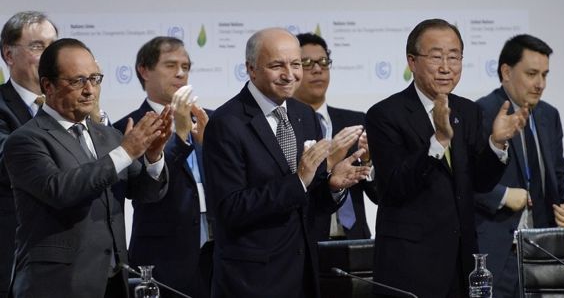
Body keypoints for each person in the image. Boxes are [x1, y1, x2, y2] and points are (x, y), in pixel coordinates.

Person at [203, 28, 370, 298]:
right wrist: (299, 180)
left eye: (296, 64)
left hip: (303, 275)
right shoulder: (226, 123)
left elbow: (309, 200)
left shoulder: (305, 115)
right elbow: (229, 209)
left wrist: (332, 186)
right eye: (276, 65)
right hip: (251, 282)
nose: (289, 74)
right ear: (251, 69)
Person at [366, 19, 527, 298]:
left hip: (461, 261)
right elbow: (393, 187)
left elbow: (480, 182)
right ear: (412, 62)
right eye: (436, 57)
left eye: (454, 57)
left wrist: (496, 142)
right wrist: (438, 140)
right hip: (409, 264)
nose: (446, 67)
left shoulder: (467, 111)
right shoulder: (385, 114)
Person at [4, 38, 171, 298]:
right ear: (48, 85)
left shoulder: (109, 136)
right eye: (77, 81)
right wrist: (126, 152)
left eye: (95, 79)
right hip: (56, 285)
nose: (89, 90)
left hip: (114, 281)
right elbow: (60, 190)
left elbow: (145, 193)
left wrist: (153, 155)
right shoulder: (26, 140)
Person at [114, 36, 213, 298]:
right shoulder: (128, 127)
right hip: (162, 260)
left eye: (186, 66)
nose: (181, 73)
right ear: (144, 70)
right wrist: (179, 136)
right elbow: (142, 188)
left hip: (217, 257)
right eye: (170, 65)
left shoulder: (211, 120)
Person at [474, 34, 564, 297]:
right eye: (532, 74)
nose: (540, 84)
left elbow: (558, 174)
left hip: (545, 250)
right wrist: (503, 196)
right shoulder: (480, 112)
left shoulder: (549, 115)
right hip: (499, 250)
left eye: (545, 75)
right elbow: (465, 180)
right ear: (506, 71)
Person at [293, 32, 377, 240]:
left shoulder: (355, 122)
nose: (317, 69)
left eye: (323, 61)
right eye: (307, 63)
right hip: (307, 239)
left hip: (355, 238)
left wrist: (368, 162)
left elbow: (378, 194)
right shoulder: (286, 126)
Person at [0, 11, 57, 297]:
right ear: (9, 55)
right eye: (38, 47)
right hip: (12, 256)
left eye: (53, 46)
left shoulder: (73, 108)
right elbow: (10, 165)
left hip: (69, 261)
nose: (50, 57)